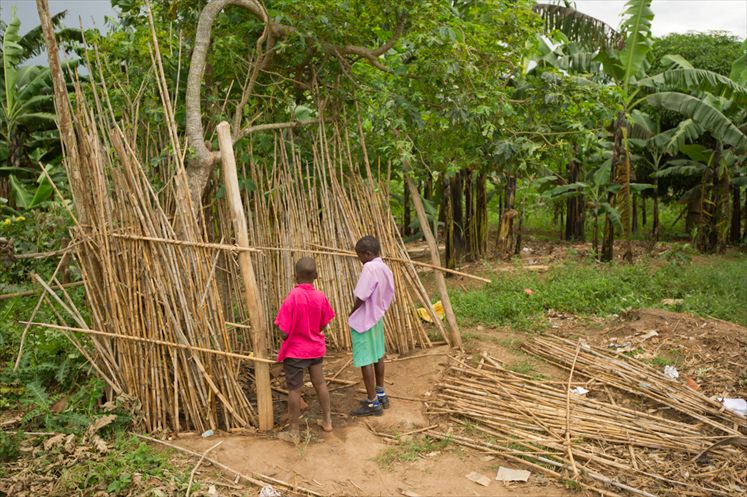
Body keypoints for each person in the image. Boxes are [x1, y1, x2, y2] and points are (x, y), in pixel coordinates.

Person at [274, 257, 335, 442]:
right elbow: (324, 323)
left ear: (295, 276)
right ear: (316, 276)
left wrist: (280, 330)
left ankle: (294, 431)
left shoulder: (293, 296)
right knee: (320, 383)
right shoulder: (320, 296)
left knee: (295, 390)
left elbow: (284, 332)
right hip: (315, 349)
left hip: (296, 351)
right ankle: (327, 421)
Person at [348, 235, 394, 416]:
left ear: (367, 254)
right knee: (377, 355)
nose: (359, 260)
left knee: (366, 359)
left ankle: (372, 403)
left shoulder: (369, 267)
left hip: (364, 319)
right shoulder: (384, 267)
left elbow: (362, 294)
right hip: (377, 317)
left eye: (359, 255)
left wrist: (353, 311)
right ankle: (381, 393)